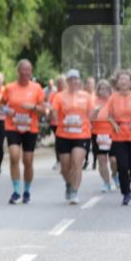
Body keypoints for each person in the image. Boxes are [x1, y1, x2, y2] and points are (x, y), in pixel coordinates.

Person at [2, 59, 47, 204]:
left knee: (28, 161)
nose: (27, 72)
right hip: (13, 126)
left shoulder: (37, 88)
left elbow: (43, 110)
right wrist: (8, 111)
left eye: (29, 70)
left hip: (30, 128)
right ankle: (16, 191)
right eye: (24, 69)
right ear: (18, 71)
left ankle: (26, 190)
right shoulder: (9, 88)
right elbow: (2, 105)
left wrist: (33, 107)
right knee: (14, 156)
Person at [52, 69, 93, 204]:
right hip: (63, 134)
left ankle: (74, 192)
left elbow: (91, 115)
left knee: (76, 164)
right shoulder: (59, 96)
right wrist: (52, 114)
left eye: (76, 79)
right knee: (65, 167)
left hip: (82, 134)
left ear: (79, 81)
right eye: (71, 79)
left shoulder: (86, 96)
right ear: (67, 82)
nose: (74, 81)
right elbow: (54, 112)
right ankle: (69, 183)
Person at [104, 69, 131, 205]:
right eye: (121, 80)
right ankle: (126, 193)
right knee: (122, 165)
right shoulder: (113, 97)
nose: (124, 82)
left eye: (126, 79)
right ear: (118, 83)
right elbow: (108, 115)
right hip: (119, 136)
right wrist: (113, 124)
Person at [90, 80, 117, 192]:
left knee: (114, 160)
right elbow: (90, 118)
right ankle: (106, 183)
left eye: (106, 88)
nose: (103, 91)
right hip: (97, 134)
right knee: (102, 160)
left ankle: (115, 175)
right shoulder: (93, 101)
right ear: (98, 90)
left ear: (109, 90)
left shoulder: (114, 100)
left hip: (112, 134)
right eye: (101, 88)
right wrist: (96, 112)